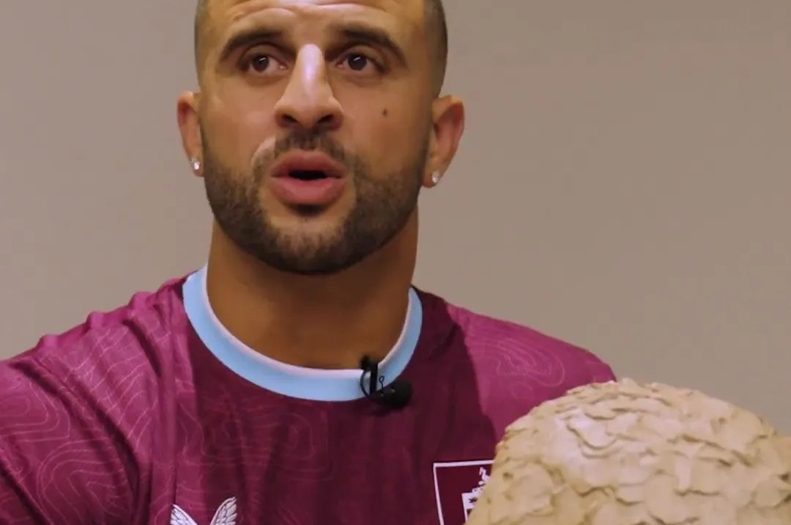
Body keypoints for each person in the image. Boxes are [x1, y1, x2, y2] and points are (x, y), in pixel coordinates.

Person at [0, 1, 614, 524]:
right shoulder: (47, 429)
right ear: (195, 132)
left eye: (359, 60)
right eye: (260, 60)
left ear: (439, 138)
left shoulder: (566, 420)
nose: (307, 101)